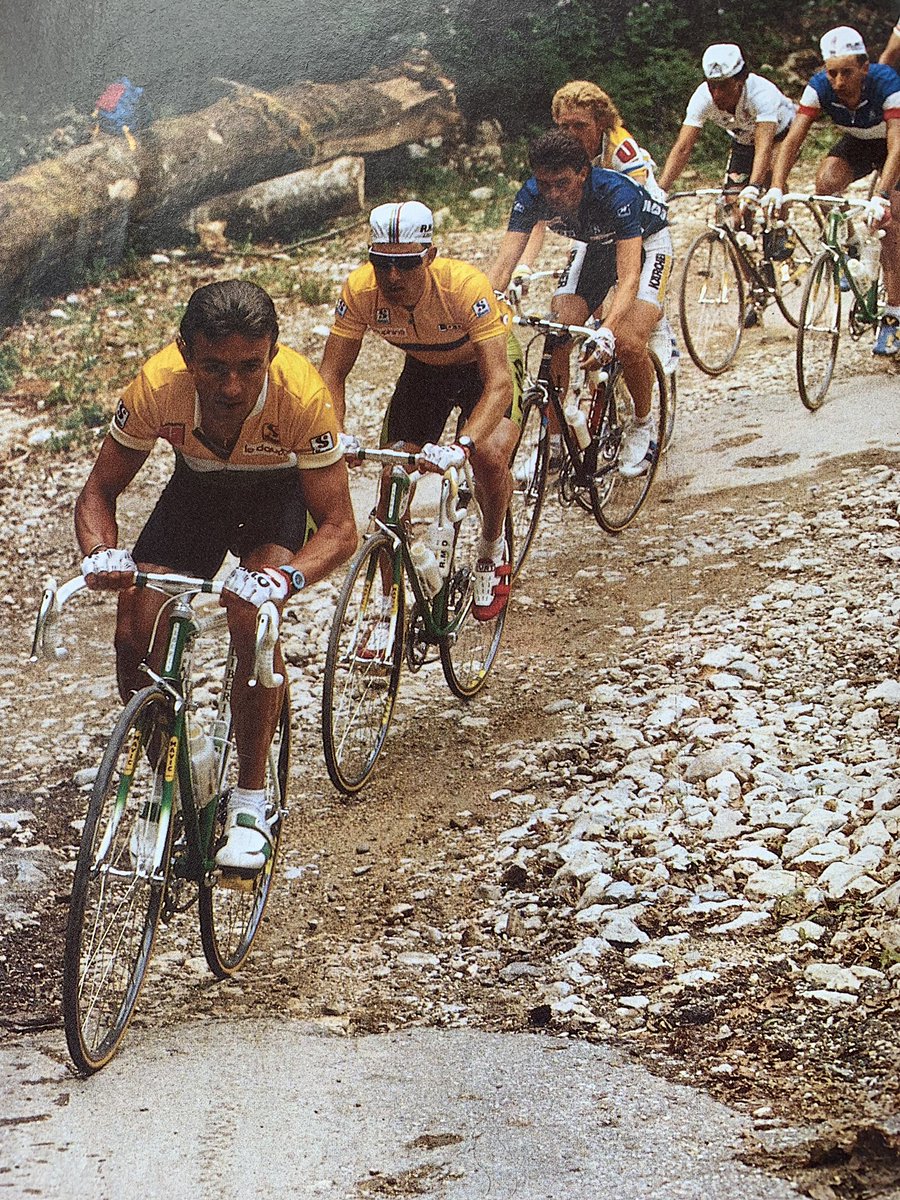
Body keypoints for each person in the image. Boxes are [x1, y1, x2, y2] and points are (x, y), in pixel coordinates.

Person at [75, 280, 357, 870]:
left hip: (276, 497)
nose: (232, 387)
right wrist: (101, 554)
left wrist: (286, 581)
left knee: (250, 615)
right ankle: (182, 773)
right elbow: (99, 491)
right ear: (185, 352)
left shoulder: (302, 396)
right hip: (198, 493)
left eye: (248, 368)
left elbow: (338, 529)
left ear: (273, 352)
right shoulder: (156, 386)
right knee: (133, 632)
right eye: (214, 368)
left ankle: (251, 803)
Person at [319, 200, 522, 639]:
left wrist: (461, 445)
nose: (392, 277)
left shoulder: (465, 288)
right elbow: (332, 373)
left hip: (482, 368)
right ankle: (390, 614)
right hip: (423, 371)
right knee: (394, 480)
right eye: (382, 263)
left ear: (429, 255)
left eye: (407, 264)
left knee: (487, 453)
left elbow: (499, 385)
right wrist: (334, 436)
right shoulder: (359, 290)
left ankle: (492, 546)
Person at [489, 129, 672, 476]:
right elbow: (503, 263)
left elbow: (629, 275)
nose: (553, 195)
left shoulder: (615, 193)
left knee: (628, 342)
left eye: (562, 184)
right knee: (556, 334)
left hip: (646, 247)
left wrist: (606, 330)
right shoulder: (531, 195)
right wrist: (486, 308)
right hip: (593, 247)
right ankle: (555, 443)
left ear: (583, 173)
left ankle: (644, 421)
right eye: (545, 184)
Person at [763, 26, 900, 356]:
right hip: (860, 141)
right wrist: (777, 187)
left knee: (891, 223)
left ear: (864, 68)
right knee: (825, 183)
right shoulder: (819, 87)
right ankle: (851, 247)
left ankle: (894, 315)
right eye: (832, 73)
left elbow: (896, 145)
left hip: (894, 145)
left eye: (847, 73)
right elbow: (792, 141)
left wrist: (880, 195)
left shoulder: (887, 84)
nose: (838, 82)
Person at [657, 44, 796, 212]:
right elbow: (683, 147)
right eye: (712, 85)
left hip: (782, 134)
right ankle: (745, 234)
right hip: (745, 139)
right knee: (734, 201)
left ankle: (780, 230)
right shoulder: (702, 98)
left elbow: (764, 147)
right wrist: (661, 190)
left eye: (723, 86)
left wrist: (753, 186)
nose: (716, 94)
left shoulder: (761, 94)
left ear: (740, 80)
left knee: (770, 178)